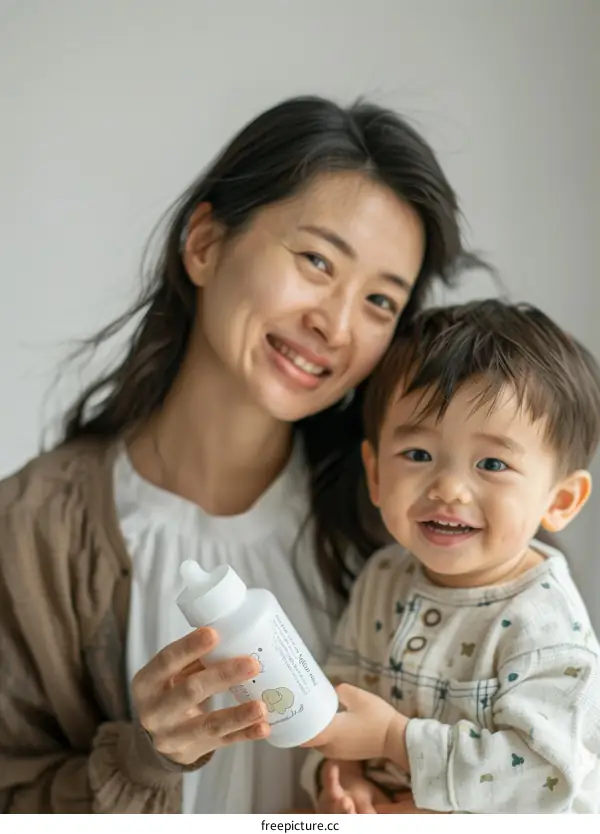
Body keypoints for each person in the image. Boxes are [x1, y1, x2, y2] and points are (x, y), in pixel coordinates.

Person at [0, 94, 490, 814]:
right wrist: (141, 759)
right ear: (204, 243)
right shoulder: (29, 530)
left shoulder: (411, 527)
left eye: (380, 302)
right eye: (317, 260)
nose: (335, 325)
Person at [301, 299, 600, 814]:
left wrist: (394, 739)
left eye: (492, 464)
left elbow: (543, 778)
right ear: (376, 473)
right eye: (418, 455)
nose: (448, 489)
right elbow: (335, 695)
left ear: (560, 500)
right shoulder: (383, 577)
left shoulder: (546, 626)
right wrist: (344, 777)